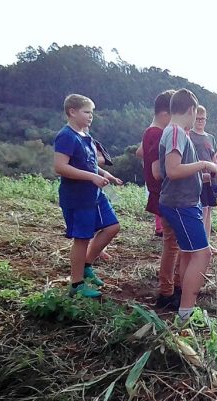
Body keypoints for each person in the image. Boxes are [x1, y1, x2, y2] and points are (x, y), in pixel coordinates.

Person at [159, 89, 217, 322]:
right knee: (202, 255)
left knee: (188, 253)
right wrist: (204, 163)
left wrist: (201, 174)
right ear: (192, 110)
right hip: (181, 204)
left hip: (181, 202)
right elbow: (173, 171)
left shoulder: (173, 131)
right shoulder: (176, 133)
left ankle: (185, 303)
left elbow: (178, 170)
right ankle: (186, 311)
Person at [53, 94, 122, 298]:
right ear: (72, 112)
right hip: (77, 196)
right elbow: (60, 167)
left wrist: (105, 174)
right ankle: (76, 284)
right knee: (82, 238)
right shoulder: (66, 136)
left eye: (91, 112)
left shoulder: (85, 136)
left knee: (112, 227)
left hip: (95, 194)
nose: (90, 116)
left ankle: (87, 265)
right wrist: (92, 177)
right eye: (86, 112)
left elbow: (90, 164)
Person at [136, 90, 182, 309]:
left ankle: (173, 286)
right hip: (165, 196)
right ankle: (166, 292)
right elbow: (157, 171)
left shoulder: (152, 132)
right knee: (172, 245)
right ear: (167, 113)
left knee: (174, 244)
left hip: (163, 196)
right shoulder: (156, 134)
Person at [188, 105, 217, 252]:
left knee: (209, 211)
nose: (200, 121)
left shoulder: (210, 137)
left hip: (210, 181)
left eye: (203, 119)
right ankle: (200, 243)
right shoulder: (189, 136)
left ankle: (207, 242)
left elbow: (214, 158)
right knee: (202, 211)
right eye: (198, 118)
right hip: (196, 180)